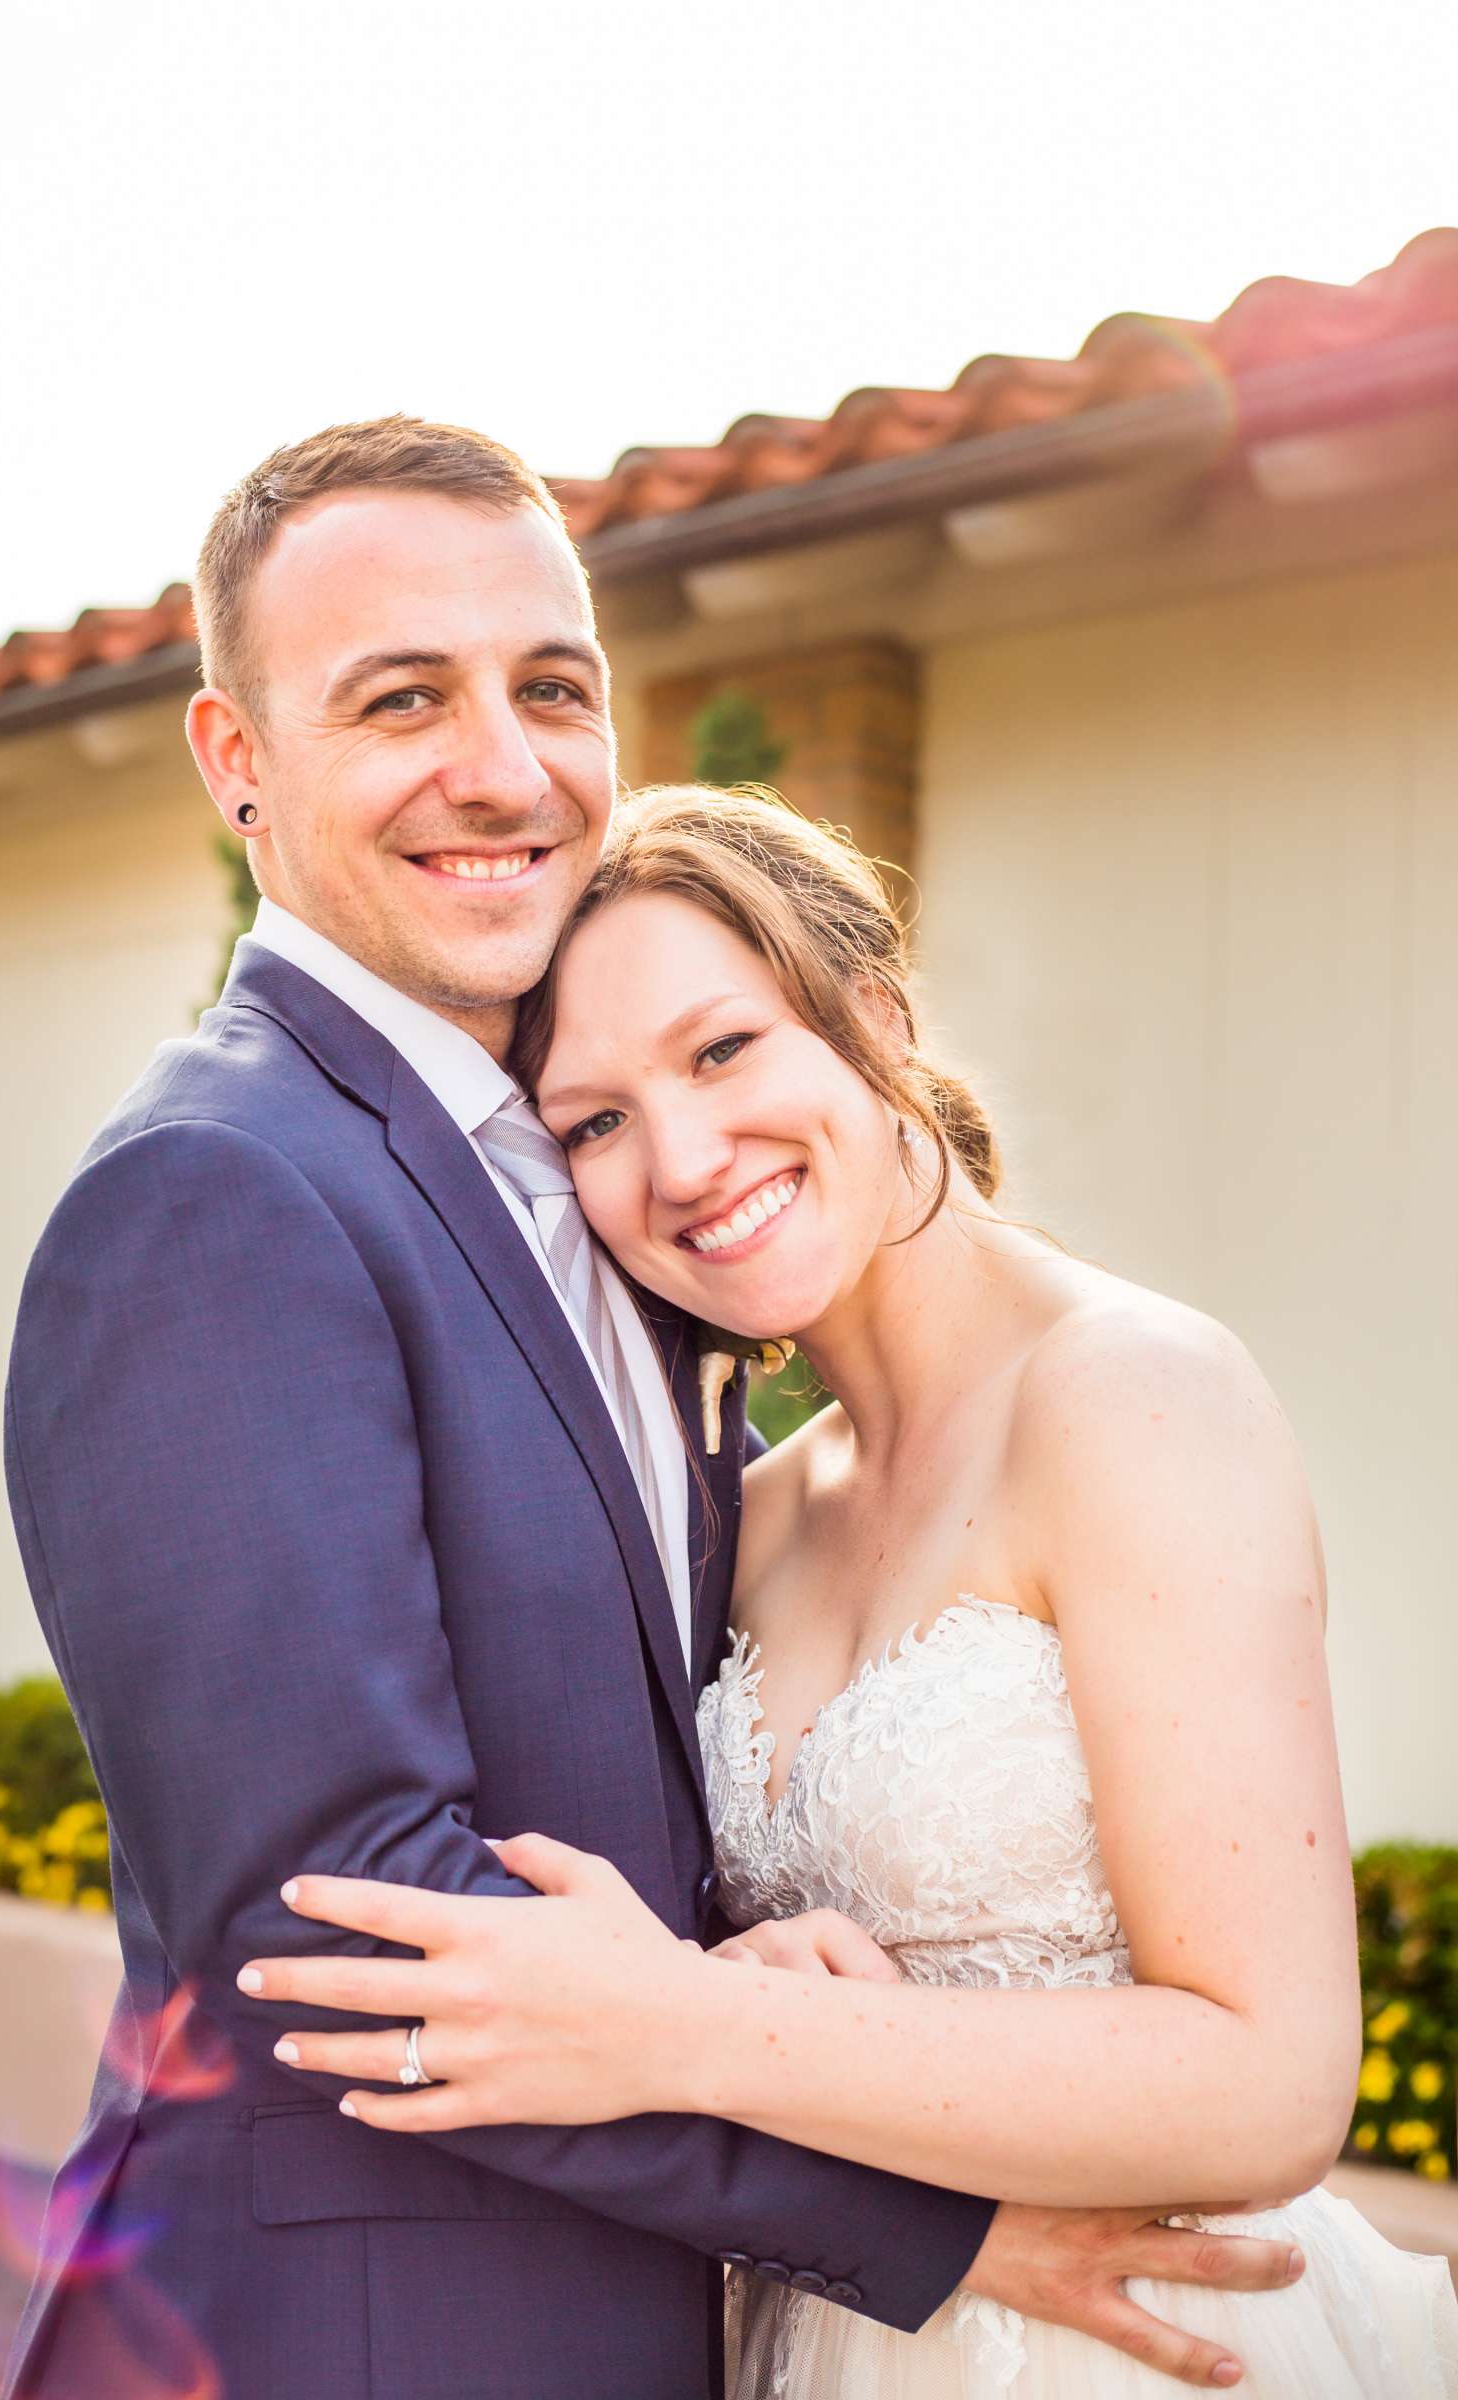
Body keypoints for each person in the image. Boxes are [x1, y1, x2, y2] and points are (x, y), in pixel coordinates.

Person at [3, 418, 1302, 2400]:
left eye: (547, 687)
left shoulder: (592, 1231)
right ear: (236, 763)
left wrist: (729, 1975)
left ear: (872, 1013)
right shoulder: (219, 1190)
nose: (502, 769)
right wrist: (923, 2224)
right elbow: (339, 1928)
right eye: (398, 699)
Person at [244, 785, 1458, 2396]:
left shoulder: (1130, 1395)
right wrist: (764, 1979)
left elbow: (1271, 2081)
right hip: (833, 2332)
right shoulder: (747, 1516)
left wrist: (692, 2025)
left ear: (872, 1018)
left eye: (724, 1050)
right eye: (593, 1121)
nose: (680, 1158)